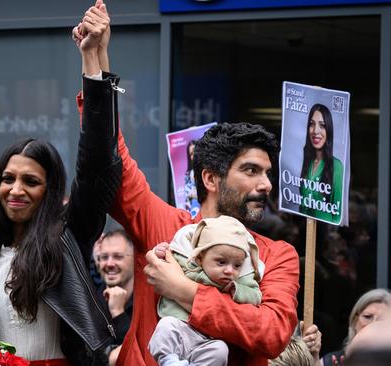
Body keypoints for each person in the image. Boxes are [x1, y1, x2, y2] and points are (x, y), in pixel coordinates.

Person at [74, 12, 300, 363]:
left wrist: (185, 291)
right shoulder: (164, 226)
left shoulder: (276, 255)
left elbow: (270, 332)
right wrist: (95, 60)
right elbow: (111, 155)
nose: (266, 184)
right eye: (251, 171)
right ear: (210, 178)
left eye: (268, 173)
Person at [0, 5, 121, 364]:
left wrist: (93, 60)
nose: (16, 189)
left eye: (31, 181)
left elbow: (96, 162)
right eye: (7, 178)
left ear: (49, 190)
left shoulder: (67, 235)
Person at [149, 215, 264, 366]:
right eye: (221, 262)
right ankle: (168, 360)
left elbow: (256, 295)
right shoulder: (188, 266)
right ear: (200, 258)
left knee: (220, 350)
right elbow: (164, 265)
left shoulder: (238, 282)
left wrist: (237, 290)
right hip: (181, 327)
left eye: (237, 266)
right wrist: (160, 252)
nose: (229, 270)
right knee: (166, 326)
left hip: (207, 339)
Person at [298, 103, 344, 224]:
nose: (315, 131)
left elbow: (337, 215)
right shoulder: (306, 161)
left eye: (322, 125)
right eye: (312, 124)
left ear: (328, 130)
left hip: (325, 233)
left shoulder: (337, 166)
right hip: (304, 231)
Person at [320, 288, 391, 365]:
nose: (373, 324)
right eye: (367, 317)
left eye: (382, 319)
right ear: (354, 321)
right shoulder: (328, 362)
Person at [96, 229, 135, 365]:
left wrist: (118, 314)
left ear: (135, 259)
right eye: (104, 257)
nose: (110, 264)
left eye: (118, 256)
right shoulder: (91, 302)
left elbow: (139, 354)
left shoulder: (147, 301)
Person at [184, 140, 200, 217]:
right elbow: (187, 198)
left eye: (195, 151)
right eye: (191, 154)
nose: (193, 155)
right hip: (193, 212)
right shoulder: (188, 175)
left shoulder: (208, 171)